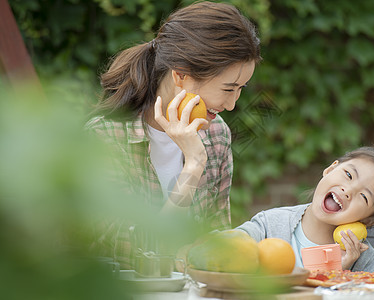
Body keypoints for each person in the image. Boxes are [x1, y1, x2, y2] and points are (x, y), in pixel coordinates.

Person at [85, 1, 261, 268]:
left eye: (241, 89)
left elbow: (216, 239)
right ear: (181, 75)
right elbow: (131, 252)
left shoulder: (216, 134)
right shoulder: (106, 138)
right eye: (228, 89)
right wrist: (192, 167)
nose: (232, 105)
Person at [236, 139, 374, 272]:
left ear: (369, 220)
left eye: (364, 196)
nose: (348, 190)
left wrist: (341, 272)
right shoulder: (271, 224)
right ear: (330, 169)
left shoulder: (363, 260)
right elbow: (228, 244)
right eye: (349, 175)